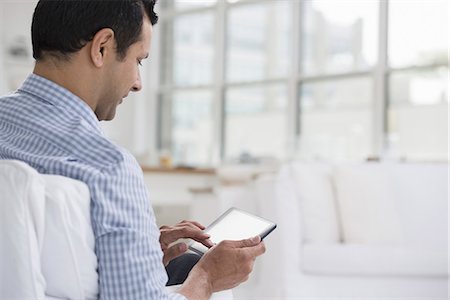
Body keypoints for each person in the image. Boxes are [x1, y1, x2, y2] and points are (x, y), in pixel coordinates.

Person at [0, 1, 266, 299]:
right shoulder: (107, 167)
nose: (138, 83)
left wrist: (143, 244)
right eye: (138, 60)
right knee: (197, 266)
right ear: (101, 47)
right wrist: (208, 277)